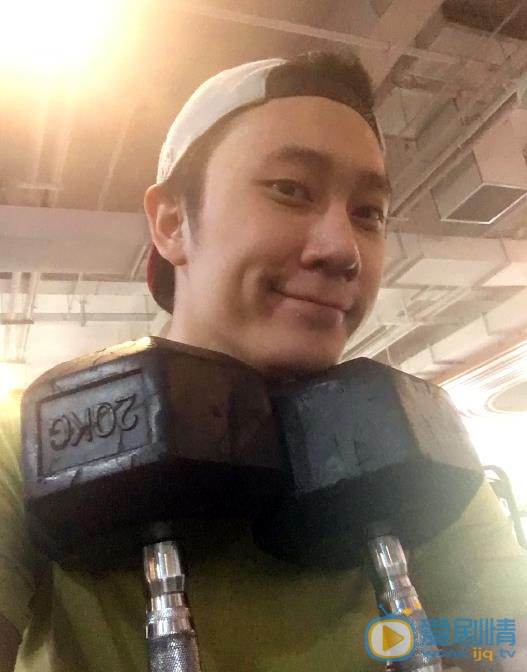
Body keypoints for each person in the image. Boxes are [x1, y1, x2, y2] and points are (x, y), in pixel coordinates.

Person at [0, 51, 526, 672]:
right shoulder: (29, 442)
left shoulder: (424, 460)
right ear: (172, 222)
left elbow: (505, 644)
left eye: (369, 213)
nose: (344, 250)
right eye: (290, 190)